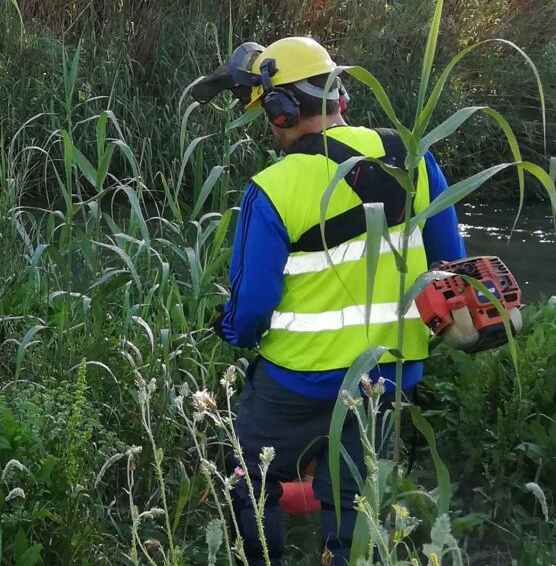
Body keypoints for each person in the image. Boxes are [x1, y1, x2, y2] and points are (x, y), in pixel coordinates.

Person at [191, 37, 466, 565]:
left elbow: (251, 310)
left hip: (298, 378)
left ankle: (262, 556)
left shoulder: (272, 187)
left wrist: (229, 332)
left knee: (249, 474)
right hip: (390, 372)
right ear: (338, 94)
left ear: (281, 109)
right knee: (354, 495)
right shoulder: (415, 158)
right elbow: (450, 267)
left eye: (267, 113)